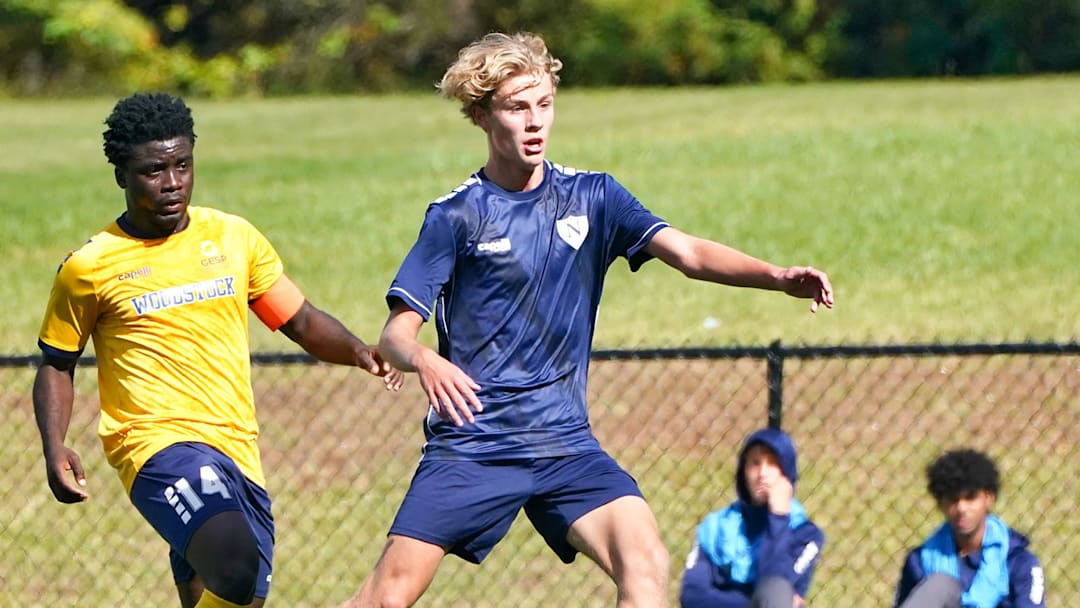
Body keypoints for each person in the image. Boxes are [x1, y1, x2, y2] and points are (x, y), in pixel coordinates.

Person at [338, 32, 834, 608]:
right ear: (480, 115)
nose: (534, 122)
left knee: (644, 560)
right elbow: (395, 335)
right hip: (477, 444)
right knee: (386, 598)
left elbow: (690, 254)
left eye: (544, 104)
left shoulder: (593, 197)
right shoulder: (456, 217)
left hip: (565, 444)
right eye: (516, 107)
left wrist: (775, 276)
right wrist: (424, 359)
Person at [32, 92, 403, 608]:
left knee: (240, 594)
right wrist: (54, 447)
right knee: (234, 564)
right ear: (121, 176)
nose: (172, 183)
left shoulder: (233, 238)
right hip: (154, 445)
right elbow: (57, 362)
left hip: (236, 446)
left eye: (182, 164)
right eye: (153, 170)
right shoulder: (90, 267)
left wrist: (357, 350)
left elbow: (300, 319)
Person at [679, 428, 824, 608]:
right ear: (743, 472)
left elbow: (774, 588)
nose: (762, 473)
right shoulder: (714, 528)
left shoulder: (805, 535)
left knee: (777, 591)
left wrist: (778, 517)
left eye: (772, 464)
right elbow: (692, 596)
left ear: (787, 474)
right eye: (755, 463)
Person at [893, 448, 1045, 608]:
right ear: (940, 504)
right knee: (939, 585)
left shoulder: (1018, 560)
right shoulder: (919, 561)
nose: (961, 508)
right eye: (953, 499)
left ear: (989, 498)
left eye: (970, 498)